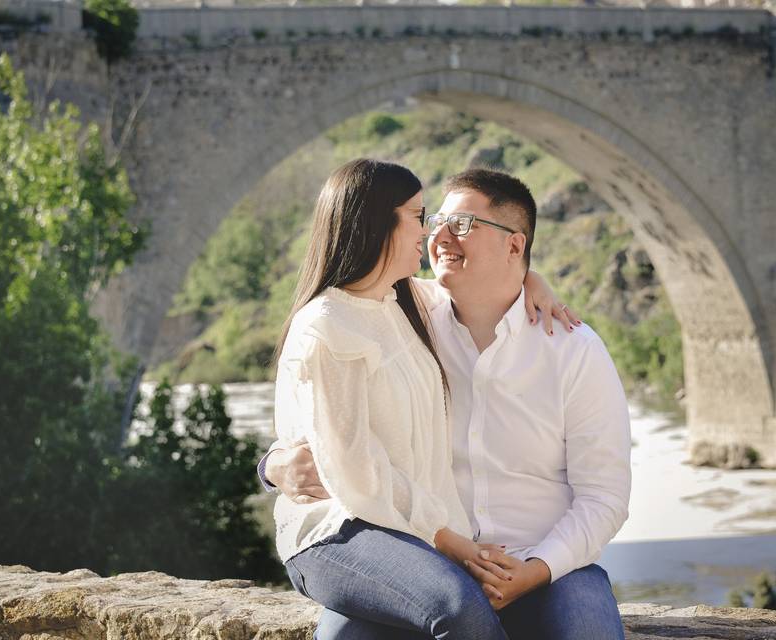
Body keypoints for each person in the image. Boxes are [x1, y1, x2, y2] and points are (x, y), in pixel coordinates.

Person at [263, 168, 632, 639]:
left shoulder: (573, 349)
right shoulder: (402, 313)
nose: (437, 235)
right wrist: (273, 463)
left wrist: (537, 568)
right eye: (433, 221)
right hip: (422, 556)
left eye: (460, 226)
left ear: (514, 246)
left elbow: (604, 497)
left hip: (541, 562)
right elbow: (321, 391)